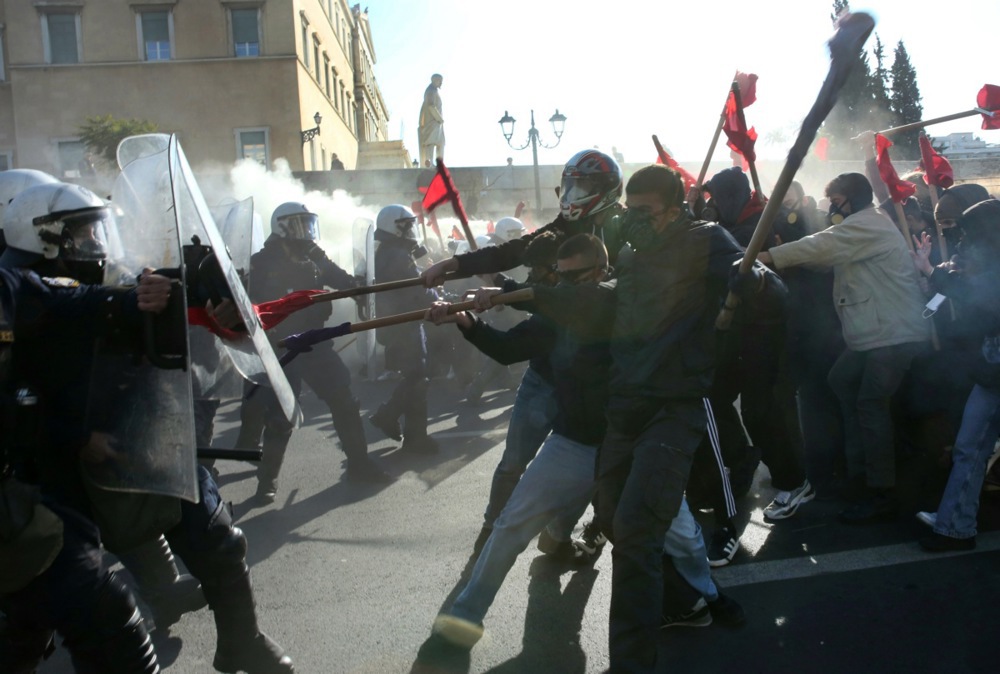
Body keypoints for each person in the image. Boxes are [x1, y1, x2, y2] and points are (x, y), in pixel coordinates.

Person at [0, 181, 296, 673]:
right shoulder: (15, 291)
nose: (96, 243)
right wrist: (74, 437)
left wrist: (206, 294)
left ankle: (242, 641)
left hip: (130, 439)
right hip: (51, 465)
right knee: (55, 599)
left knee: (218, 537)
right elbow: (15, 403)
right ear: (45, 236)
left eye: (97, 230)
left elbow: (138, 301)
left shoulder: (94, 280)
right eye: (83, 233)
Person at [0, 266, 171, 674]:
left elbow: (78, 300)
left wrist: (142, 296)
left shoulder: (8, 283)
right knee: (99, 613)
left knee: (44, 610)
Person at [759, 172, 931, 523]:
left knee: (870, 404)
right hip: (876, 332)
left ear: (854, 198)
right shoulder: (862, 225)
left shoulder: (866, 223)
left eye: (837, 202)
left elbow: (820, 245)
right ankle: (860, 466)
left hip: (892, 332)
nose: (833, 209)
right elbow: (823, 257)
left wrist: (766, 256)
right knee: (842, 380)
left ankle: (880, 491)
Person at [236, 202, 390, 500]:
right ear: (281, 228)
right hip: (280, 346)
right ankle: (267, 481)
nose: (307, 232)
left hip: (314, 342)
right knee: (281, 415)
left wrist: (361, 289)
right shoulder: (261, 263)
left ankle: (359, 464)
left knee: (345, 401)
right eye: (299, 225)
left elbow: (344, 282)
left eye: (309, 224)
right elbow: (247, 306)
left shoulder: (315, 259)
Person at [913, 199, 1000, 551]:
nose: (962, 241)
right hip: (991, 362)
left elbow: (984, 297)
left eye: (968, 233)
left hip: (994, 364)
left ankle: (955, 524)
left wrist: (935, 273)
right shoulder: (987, 261)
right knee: (971, 446)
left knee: (972, 445)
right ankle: (954, 523)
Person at [368, 204, 438, 453]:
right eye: (406, 226)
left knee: (415, 378)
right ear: (393, 228)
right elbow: (417, 289)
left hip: (397, 321)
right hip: (404, 322)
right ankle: (389, 416)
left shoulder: (387, 251)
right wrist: (438, 296)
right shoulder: (398, 255)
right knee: (418, 377)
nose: (410, 231)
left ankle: (415, 437)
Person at [418, 74, 445, 168]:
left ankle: (439, 163)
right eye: (439, 80)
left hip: (437, 122)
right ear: (434, 80)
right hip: (432, 122)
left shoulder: (434, 90)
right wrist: (439, 118)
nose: (441, 83)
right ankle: (428, 163)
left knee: (441, 143)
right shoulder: (430, 91)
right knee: (431, 143)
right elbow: (431, 106)